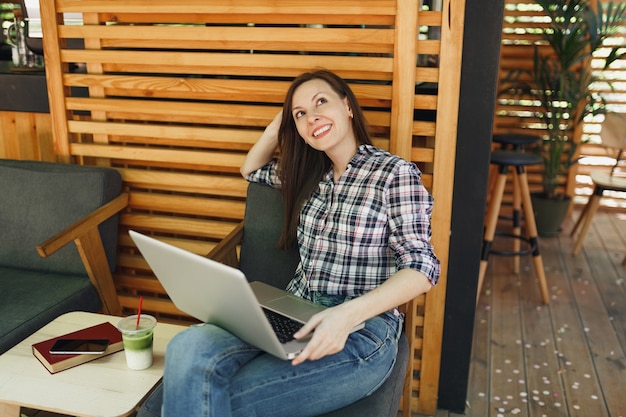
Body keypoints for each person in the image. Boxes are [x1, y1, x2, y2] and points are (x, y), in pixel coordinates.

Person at [139, 69, 440, 417]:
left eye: (321, 103)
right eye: (300, 114)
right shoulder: (310, 175)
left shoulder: (394, 173)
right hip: (292, 311)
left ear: (348, 107)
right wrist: (282, 122)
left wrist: (345, 316)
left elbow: (422, 267)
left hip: (360, 330)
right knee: (187, 345)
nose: (312, 117)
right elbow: (251, 169)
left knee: (220, 399)